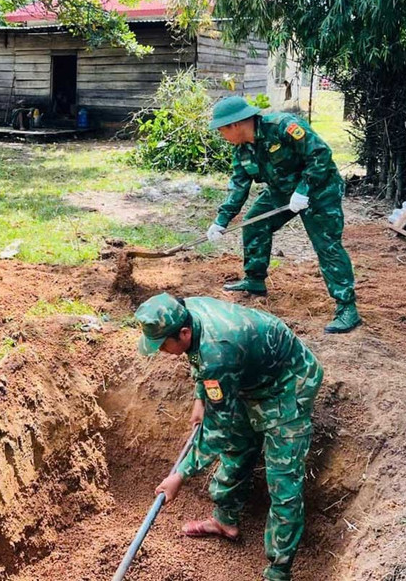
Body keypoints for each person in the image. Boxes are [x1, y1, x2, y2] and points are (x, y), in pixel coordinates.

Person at [135, 292, 323, 581]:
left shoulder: (218, 351)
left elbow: (217, 430)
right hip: (250, 378)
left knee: (283, 482)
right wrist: (201, 397)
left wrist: (180, 475)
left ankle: (278, 571)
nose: (160, 351)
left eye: (162, 345)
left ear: (183, 333)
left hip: (288, 384)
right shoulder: (187, 312)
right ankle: (225, 521)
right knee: (239, 444)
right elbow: (200, 363)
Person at [206, 96, 360, 333]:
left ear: (235, 125)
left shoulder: (282, 126)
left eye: (221, 130)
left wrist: (304, 189)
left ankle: (347, 308)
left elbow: (320, 154)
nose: (221, 136)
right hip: (282, 190)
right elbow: (239, 184)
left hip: (320, 189)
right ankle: (255, 280)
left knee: (326, 245)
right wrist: (221, 220)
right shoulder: (243, 150)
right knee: (255, 224)